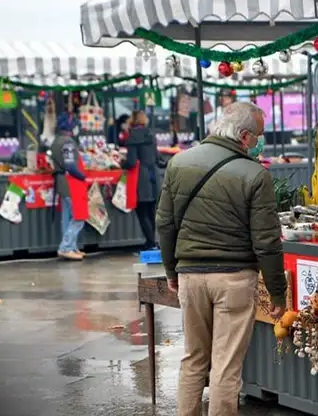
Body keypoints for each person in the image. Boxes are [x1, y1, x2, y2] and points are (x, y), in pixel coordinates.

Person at [156, 102, 286, 416]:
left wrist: (171, 271)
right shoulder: (255, 174)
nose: (259, 141)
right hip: (234, 278)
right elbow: (266, 242)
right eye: (258, 135)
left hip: (190, 275)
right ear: (244, 136)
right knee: (226, 366)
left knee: (193, 359)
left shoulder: (179, 163)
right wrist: (278, 293)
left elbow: (164, 223)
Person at [51, 112, 88, 261]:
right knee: (79, 217)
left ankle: (72, 247)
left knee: (67, 217)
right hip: (71, 183)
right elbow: (70, 165)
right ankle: (66, 247)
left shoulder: (56, 141)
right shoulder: (68, 143)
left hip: (61, 182)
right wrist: (82, 176)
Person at [120, 110, 160, 250]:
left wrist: (122, 163)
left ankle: (150, 243)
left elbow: (131, 162)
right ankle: (152, 241)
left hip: (140, 178)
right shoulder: (151, 135)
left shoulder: (132, 137)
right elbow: (158, 158)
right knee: (151, 211)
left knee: (142, 212)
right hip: (153, 176)